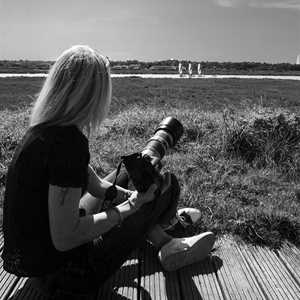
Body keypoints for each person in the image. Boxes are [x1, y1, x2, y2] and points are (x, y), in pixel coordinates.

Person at [1, 45, 215, 297]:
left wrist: (127, 193)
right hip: (67, 277)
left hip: (35, 263)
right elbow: (66, 237)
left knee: (128, 178)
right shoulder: (68, 144)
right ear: (92, 95)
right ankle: (167, 238)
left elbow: (95, 184)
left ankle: (161, 235)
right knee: (165, 186)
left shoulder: (43, 130)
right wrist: (132, 206)